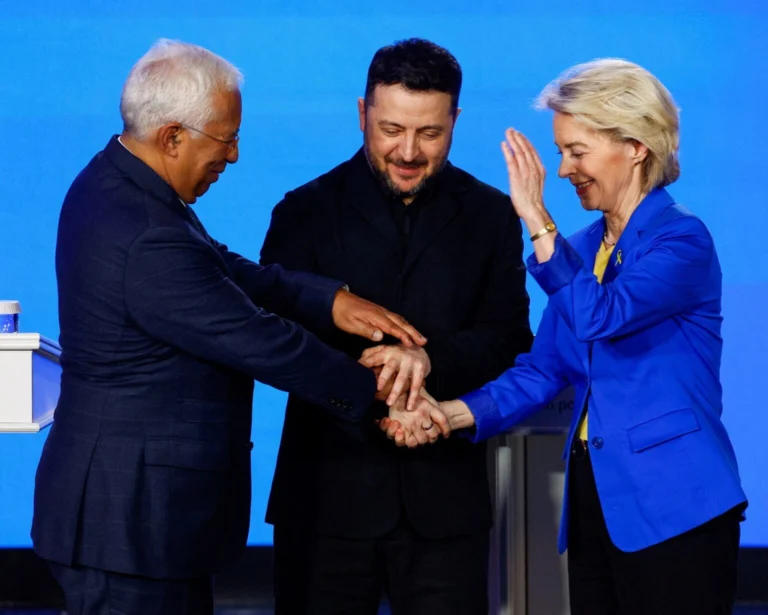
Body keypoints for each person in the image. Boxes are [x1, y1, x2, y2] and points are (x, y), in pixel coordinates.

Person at [31, 39, 441, 615]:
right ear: (173, 137)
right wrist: (380, 388)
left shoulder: (118, 182)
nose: (235, 155)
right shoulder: (145, 231)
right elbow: (259, 340)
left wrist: (328, 300)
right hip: (128, 525)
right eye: (225, 139)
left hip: (137, 524)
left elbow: (219, 266)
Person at [385, 58, 748, 615]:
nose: (562, 170)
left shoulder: (681, 241)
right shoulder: (578, 250)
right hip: (593, 496)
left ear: (635, 146)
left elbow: (603, 315)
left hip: (675, 500)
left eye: (576, 151)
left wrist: (535, 217)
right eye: (560, 152)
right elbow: (543, 369)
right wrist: (448, 414)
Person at [260, 38, 532, 614]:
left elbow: (510, 338)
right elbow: (275, 338)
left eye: (429, 133)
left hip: (445, 503)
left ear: (455, 120)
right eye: (391, 130)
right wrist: (378, 383)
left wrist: (428, 361)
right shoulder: (303, 211)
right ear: (363, 113)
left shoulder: (491, 215)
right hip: (326, 500)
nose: (408, 152)